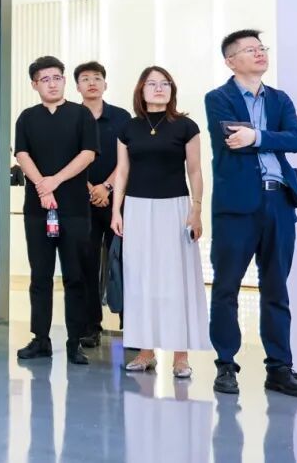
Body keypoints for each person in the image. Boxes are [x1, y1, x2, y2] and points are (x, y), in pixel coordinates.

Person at [204, 30, 297, 398]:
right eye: (250, 49)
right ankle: (226, 365)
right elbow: (232, 141)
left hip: (279, 202)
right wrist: (264, 138)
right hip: (237, 207)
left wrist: (258, 137)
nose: (260, 53)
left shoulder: (280, 99)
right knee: (226, 288)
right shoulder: (218, 98)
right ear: (231, 61)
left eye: (261, 48)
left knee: (276, 289)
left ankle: (279, 368)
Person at [110, 67, 210, 378]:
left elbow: (195, 170)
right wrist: (116, 211)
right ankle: (145, 352)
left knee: (176, 279)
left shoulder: (186, 126)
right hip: (137, 208)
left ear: (172, 89)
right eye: (152, 84)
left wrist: (196, 209)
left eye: (165, 83)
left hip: (175, 207)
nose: (159, 88)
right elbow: (122, 172)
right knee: (140, 280)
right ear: (141, 90)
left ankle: (181, 356)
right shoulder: (128, 128)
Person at [14, 56, 98, 365]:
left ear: (64, 81)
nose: (52, 83)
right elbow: (22, 154)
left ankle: (75, 341)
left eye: (57, 77)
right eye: (45, 79)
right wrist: (42, 186)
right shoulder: (27, 117)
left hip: (74, 208)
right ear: (34, 84)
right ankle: (41, 339)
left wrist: (55, 181)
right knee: (40, 275)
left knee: (75, 275)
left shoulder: (81, 115)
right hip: (38, 209)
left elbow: (88, 154)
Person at [74, 61, 131, 346]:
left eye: (97, 78)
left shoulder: (121, 117)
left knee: (125, 261)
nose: (92, 83)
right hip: (82, 201)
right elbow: (67, 157)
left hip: (117, 200)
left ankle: (131, 324)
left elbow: (127, 158)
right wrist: (89, 188)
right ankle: (90, 326)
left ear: (105, 84)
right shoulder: (70, 117)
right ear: (77, 87)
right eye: (85, 79)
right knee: (86, 263)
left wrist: (106, 187)